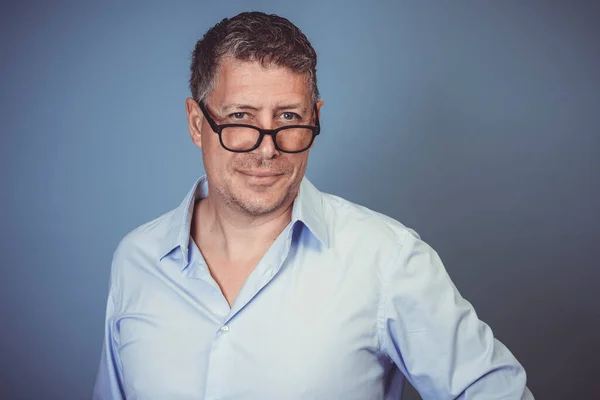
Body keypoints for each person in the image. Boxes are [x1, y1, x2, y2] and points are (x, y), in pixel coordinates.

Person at [93, 11, 533, 400]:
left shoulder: (388, 259)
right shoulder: (137, 261)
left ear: (315, 118)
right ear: (196, 123)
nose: (266, 150)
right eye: (241, 118)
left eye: (288, 118)